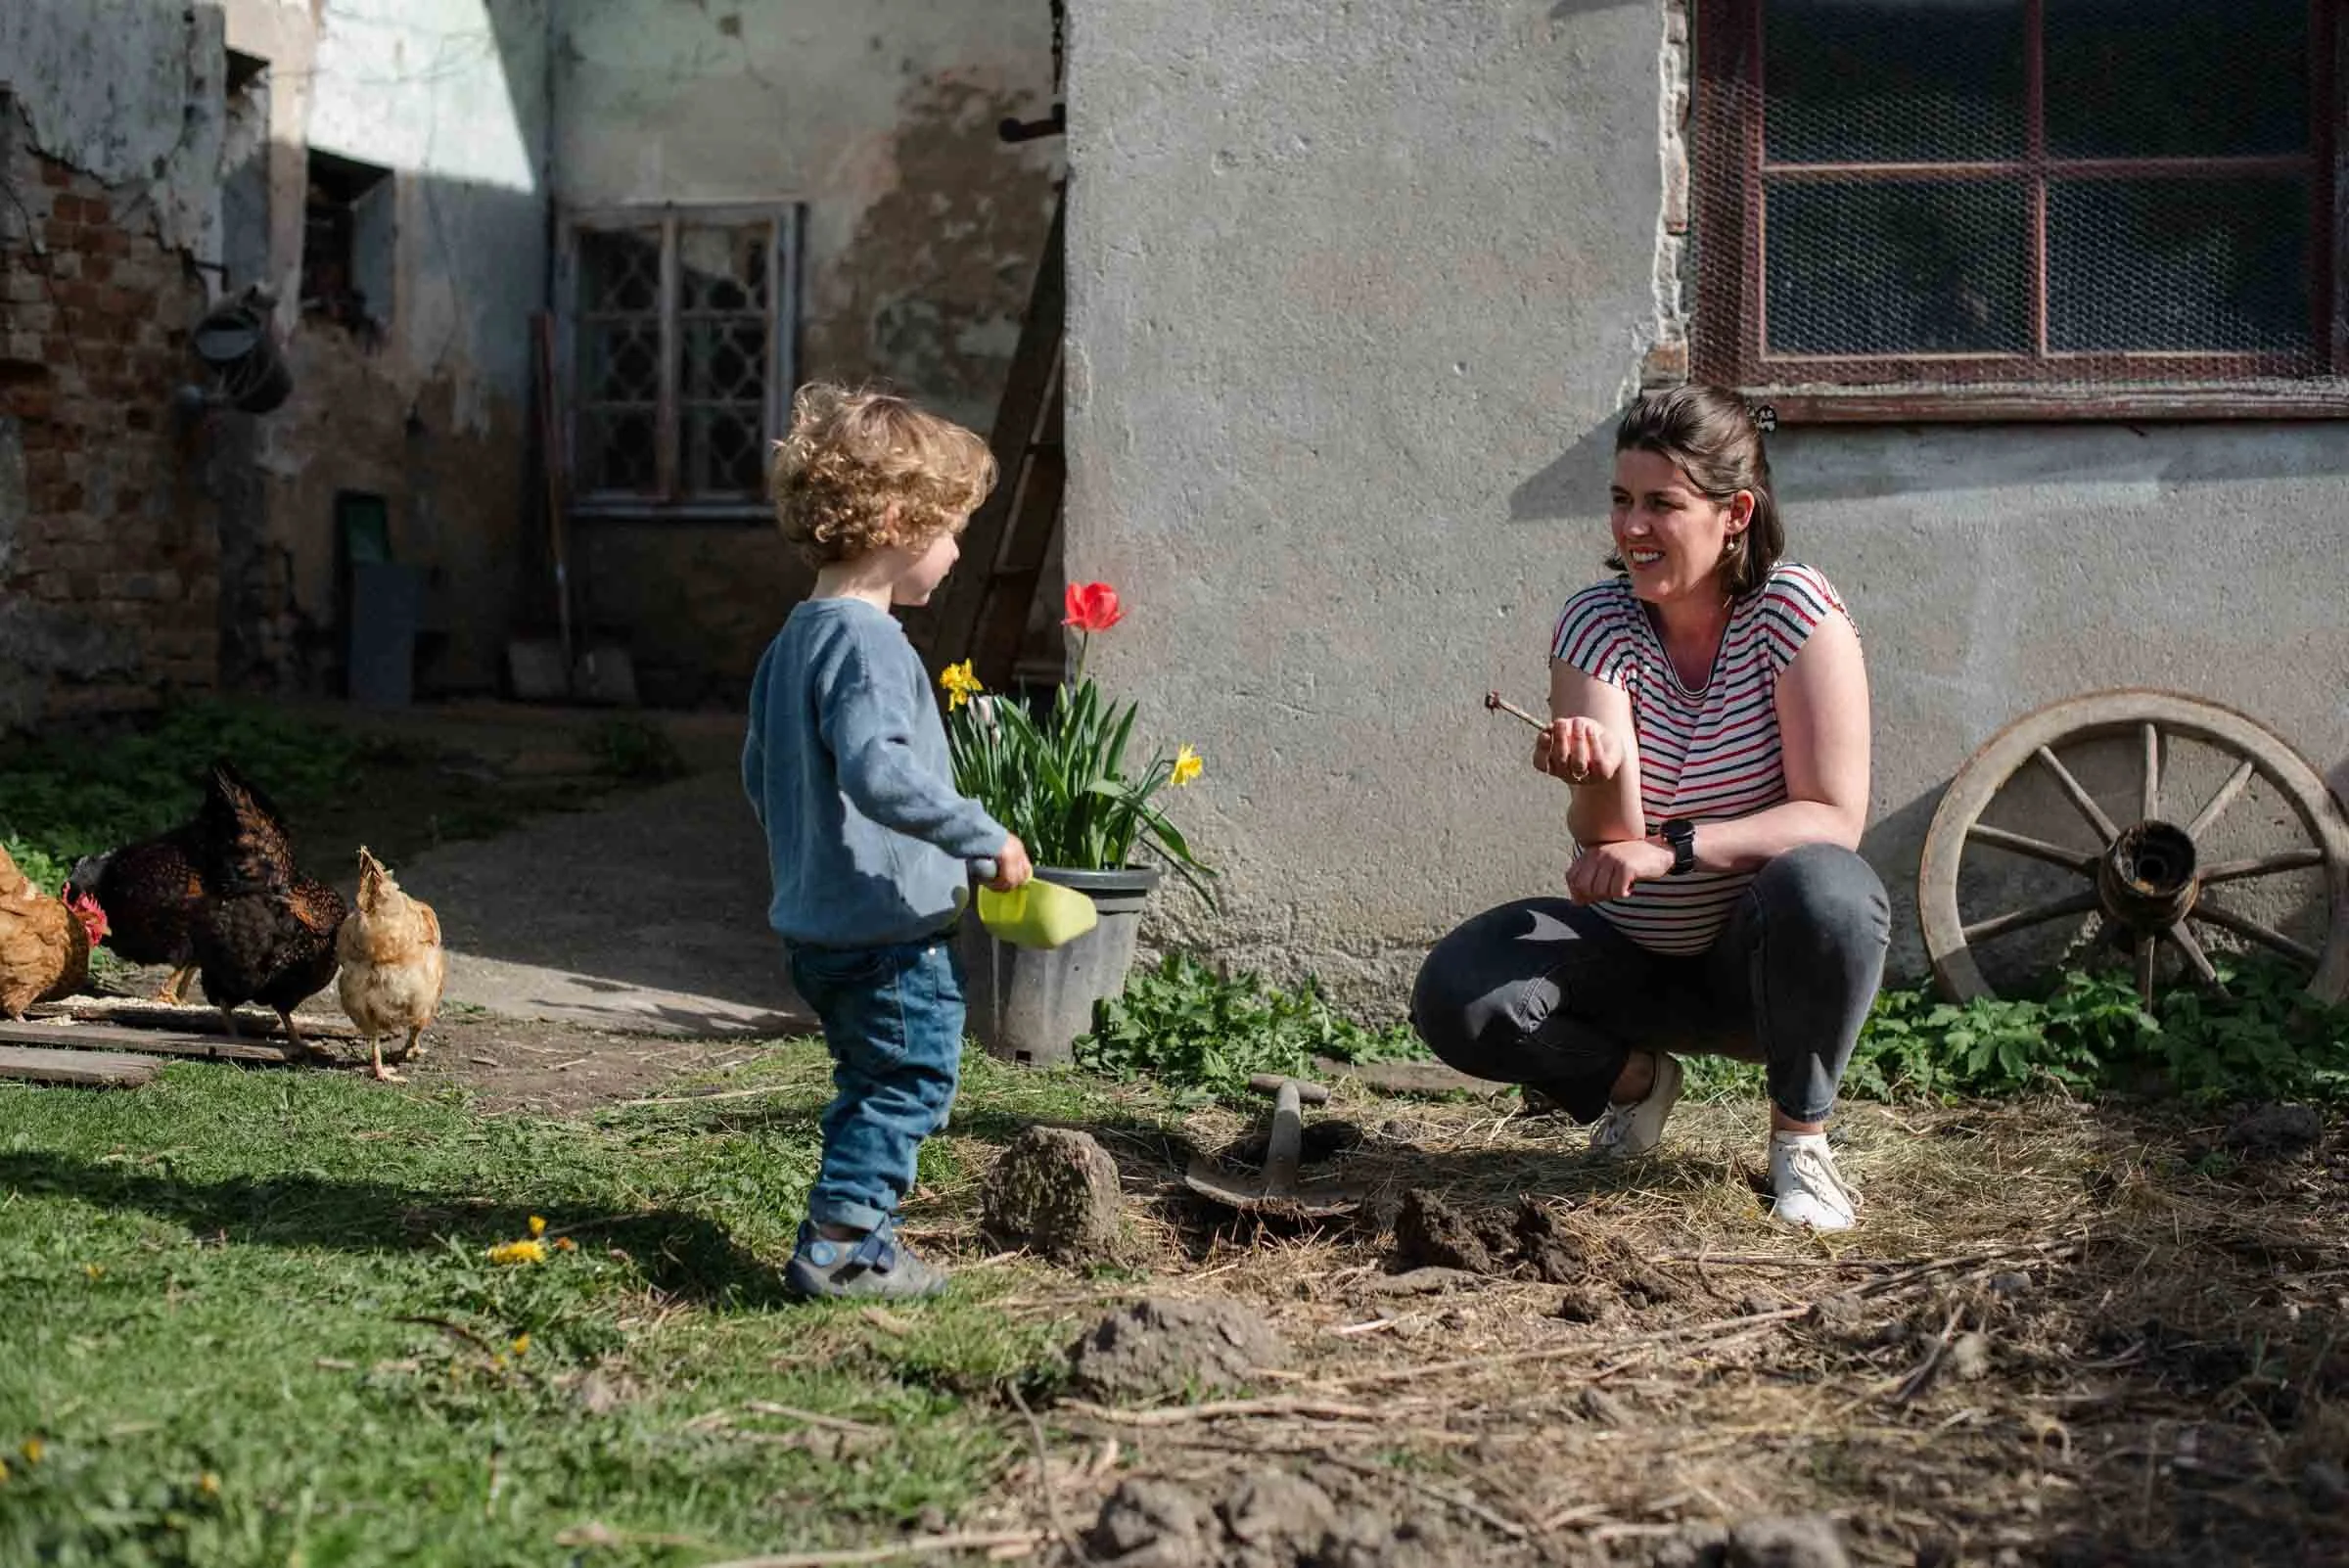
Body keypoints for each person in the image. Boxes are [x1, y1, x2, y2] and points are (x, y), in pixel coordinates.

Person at [1412, 385, 1887, 1230]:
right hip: (1636, 958)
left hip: (1758, 967)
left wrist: (1677, 848)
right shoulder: (1597, 623)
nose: (1631, 527)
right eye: (1621, 500)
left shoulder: (1796, 611)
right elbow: (1608, 851)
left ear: (1734, 512)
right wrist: (1587, 777)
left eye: (1662, 504)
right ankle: (1638, 1082)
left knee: (1831, 888)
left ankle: (1799, 1146)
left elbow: (1831, 816)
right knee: (1459, 993)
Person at [745, 383, 1034, 1298]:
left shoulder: (795, 638)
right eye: (950, 531)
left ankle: (861, 1238)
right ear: (900, 521)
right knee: (910, 1078)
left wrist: (806, 863)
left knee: (873, 1079)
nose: (954, 554)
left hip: (819, 924)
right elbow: (878, 770)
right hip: (882, 934)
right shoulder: (869, 646)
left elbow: (762, 775)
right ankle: (836, 1250)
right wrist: (979, 832)